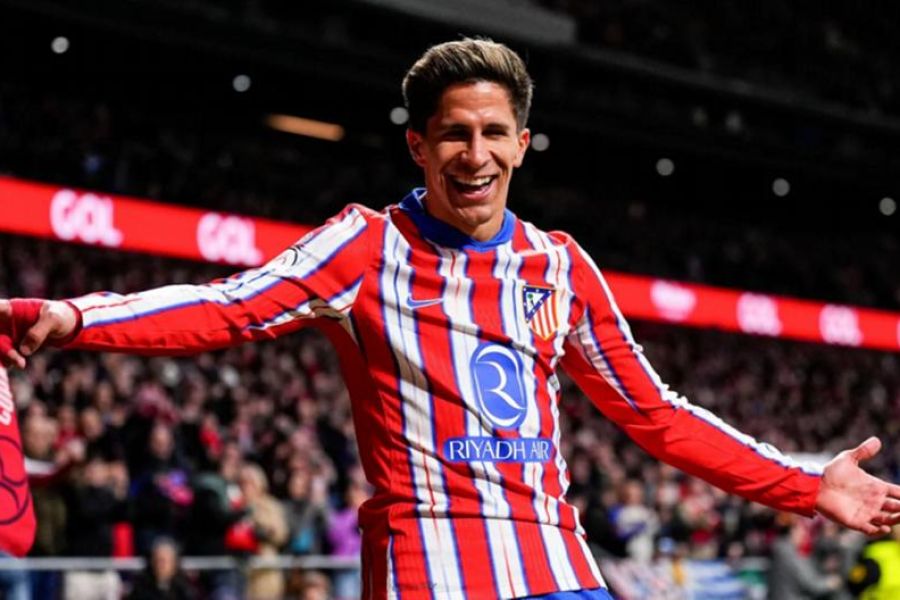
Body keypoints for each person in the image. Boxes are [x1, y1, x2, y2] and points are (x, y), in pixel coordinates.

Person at [0, 38, 899, 599]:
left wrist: (805, 485)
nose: (475, 154)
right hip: (429, 570)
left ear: (522, 145)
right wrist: (76, 315)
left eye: (493, 133)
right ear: (419, 145)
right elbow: (230, 308)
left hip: (558, 570)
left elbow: (656, 415)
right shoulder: (362, 247)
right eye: (454, 134)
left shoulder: (560, 265)